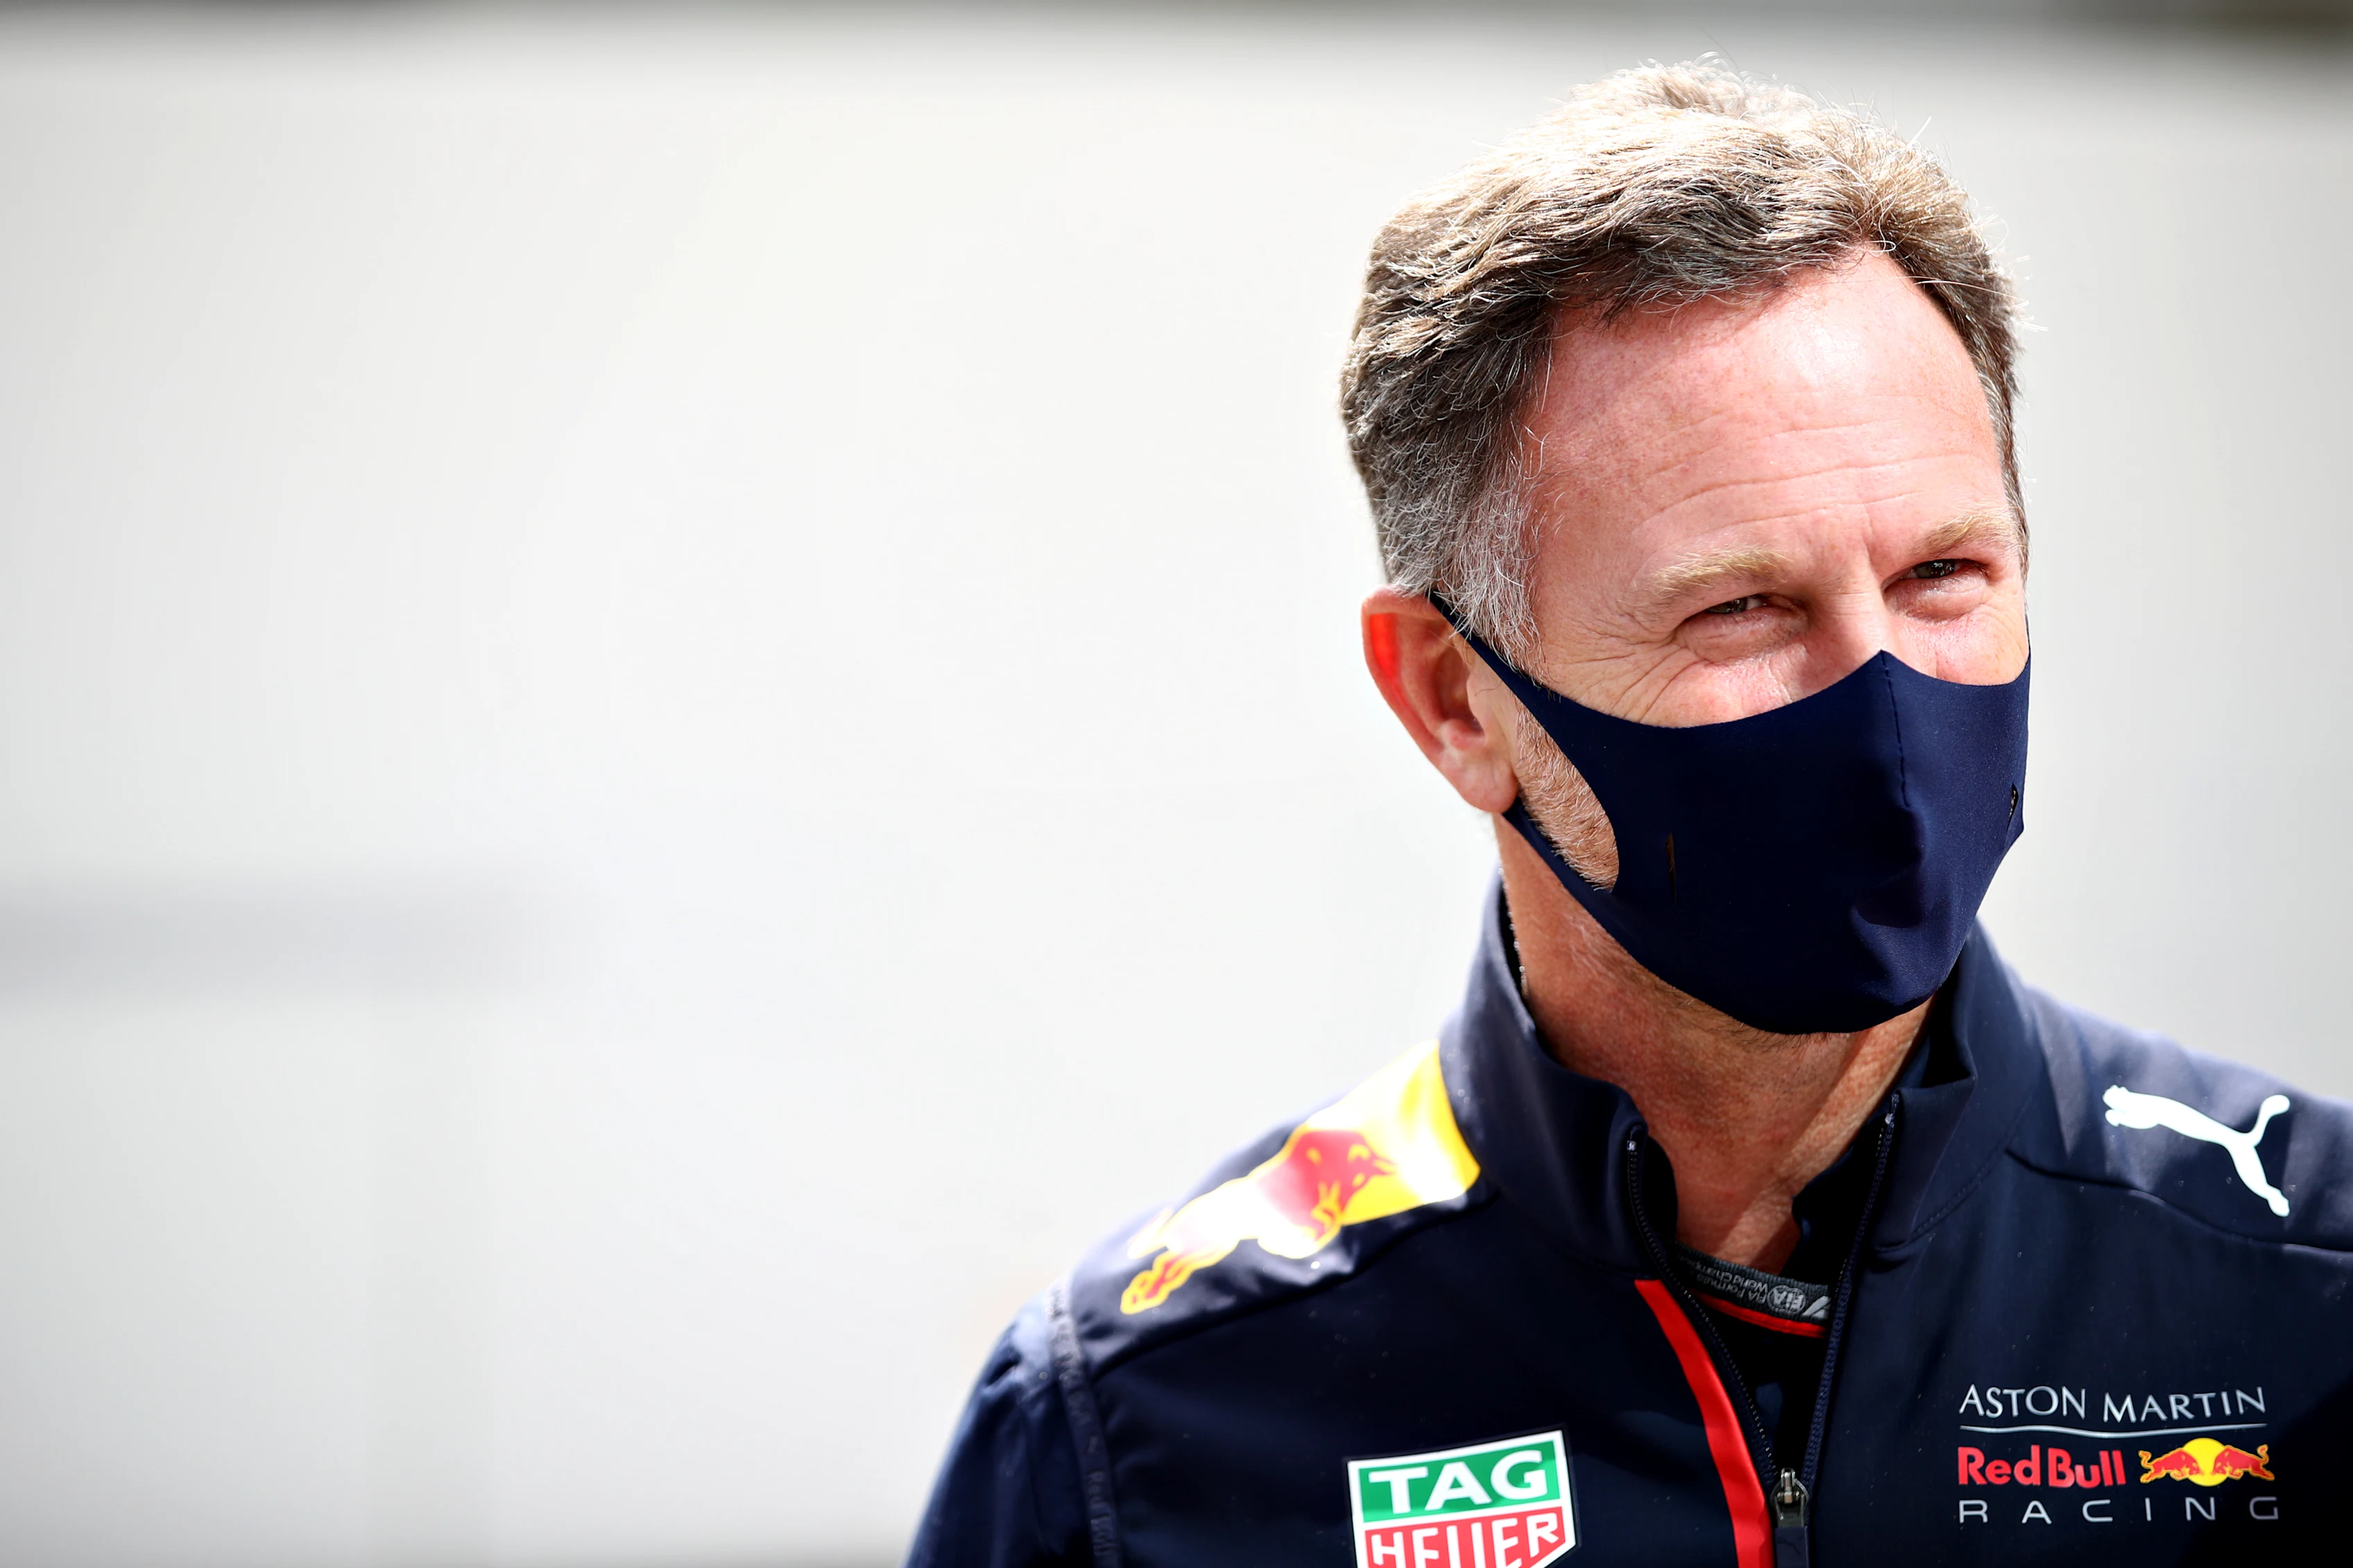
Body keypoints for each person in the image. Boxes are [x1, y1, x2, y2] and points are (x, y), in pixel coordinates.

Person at [905, 64, 2352, 1567]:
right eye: (1740, 607)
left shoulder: (2309, 1281)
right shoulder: (1142, 1422)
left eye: (1944, 576)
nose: (1883, 698)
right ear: (1455, 702)